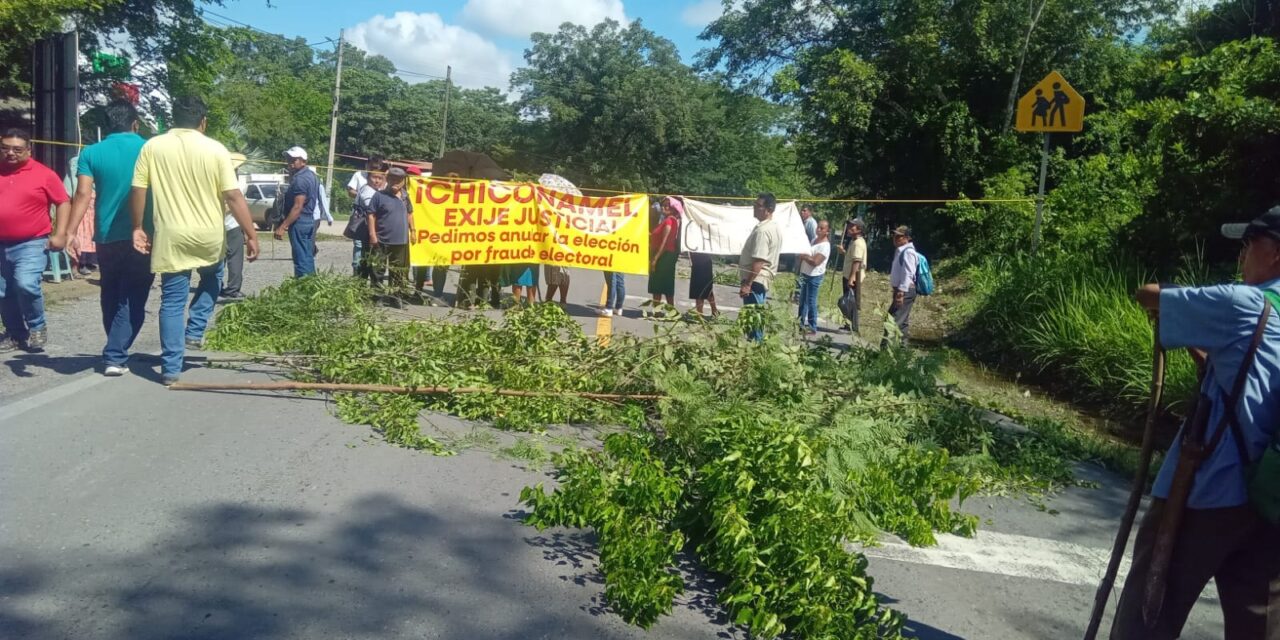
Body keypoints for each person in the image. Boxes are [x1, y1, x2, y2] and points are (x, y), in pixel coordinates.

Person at [1112, 206, 1280, 640]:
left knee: (1150, 609)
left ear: (1275, 254)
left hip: (1209, 491)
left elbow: (1148, 294)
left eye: (1248, 245)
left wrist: (1173, 304)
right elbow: (1246, 382)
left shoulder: (1247, 304)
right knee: (1259, 624)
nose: (1242, 256)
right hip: (1271, 499)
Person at [130, 96, 260, 386]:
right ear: (203, 121)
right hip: (209, 235)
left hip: (171, 235)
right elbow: (232, 196)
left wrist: (137, 227)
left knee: (172, 301)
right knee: (212, 279)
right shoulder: (216, 149)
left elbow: (138, 189)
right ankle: (196, 328)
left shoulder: (152, 146)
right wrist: (250, 234)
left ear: (173, 119)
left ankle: (170, 369)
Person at [50, 101, 155, 373]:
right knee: (133, 294)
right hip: (144, 233)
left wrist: (71, 231)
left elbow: (82, 193)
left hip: (106, 234)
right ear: (135, 123)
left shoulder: (91, 152)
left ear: (107, 125)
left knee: (110, 291)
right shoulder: (150, 148)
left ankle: (115, 344)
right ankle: (115, 354)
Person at [0, 129, 70, 353]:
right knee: (2, 291)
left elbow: (63, 202)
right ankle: (15, 333)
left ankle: (37, 326)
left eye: (17, 149)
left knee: (26, 284)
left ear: (28, 150)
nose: (10, 153)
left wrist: (60, 233)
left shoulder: (44, 174)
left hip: (31, 242)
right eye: (5, 148)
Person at [366, 167, 415, 308]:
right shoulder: (379, 196)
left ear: (403, 181)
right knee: (378, 270)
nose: (396, 182)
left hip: (401, 241)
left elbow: (410, 214)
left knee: (398, 271)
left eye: (399, 180)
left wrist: (413, 231)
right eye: (393, 179)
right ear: (387, 179)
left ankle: (395, 298)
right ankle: (377, 297)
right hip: (381, 240)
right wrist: (372, 235)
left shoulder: (405, 196)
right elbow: (371, 215)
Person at [738, 193, 783, 341]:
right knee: (753, 319)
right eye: (755, 204)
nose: (754, 207)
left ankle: (756, 348)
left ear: (768, 210)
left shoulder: (763, 231)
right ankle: (754, 347)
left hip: (756, 280)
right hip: (759, 279)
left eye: (758, 205)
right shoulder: (773, 227)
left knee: (754, 321)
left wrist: (748, 284)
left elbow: (759, 260)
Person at [273, 146, 320, 278]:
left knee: (301, 258)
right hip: (308, 219)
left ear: (303, 161)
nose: (290, 162)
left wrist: (283, 226)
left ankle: (303, 285)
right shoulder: (310, 175)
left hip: (300, 222)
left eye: (294, 159)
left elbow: (298, 206)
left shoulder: (300, 179)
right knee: (307, 255)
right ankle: (311, 284)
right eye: (289, 159)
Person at [882, 225, 919, 348]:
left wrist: (901, 293)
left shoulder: (908, 252)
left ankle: (884, 352)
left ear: (907, 238)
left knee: (892, 321)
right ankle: (903, 351)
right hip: (901, 290)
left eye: (899, 236)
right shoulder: (901, 251)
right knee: (902, 323)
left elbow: (908, 274)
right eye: (895, 236)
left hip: (905, 291)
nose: (896, 238)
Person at [347, 154, 384, 275]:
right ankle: (357, 273)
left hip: (375, 219)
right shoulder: (359, 176)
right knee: (359, 246)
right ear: (367, 165)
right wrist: (362, 194)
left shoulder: (381, 179)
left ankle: (369, 273)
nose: (374, 169)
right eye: (372, 167)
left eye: (377, 167)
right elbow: (350, 190)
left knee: (372, 248)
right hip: (362, 219)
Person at [647, 196, 680, 316]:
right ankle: (664, 311)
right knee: (661, 284)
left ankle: (665, 311)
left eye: (667, 206)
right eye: (663, 205)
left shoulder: (669, 221)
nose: (663, 207)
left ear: (673, 209)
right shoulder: (666, 220)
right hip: (663, 255)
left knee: (661, 284)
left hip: (664, 256)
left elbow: (665, 242)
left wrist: (655, 259)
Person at [352, 167, 386, 283]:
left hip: (369, 230)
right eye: (374, 177)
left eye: (380, 178)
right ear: (368, 178)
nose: (377, 181)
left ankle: (360, 285)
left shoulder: (372, 190)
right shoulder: (368, 191)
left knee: (366, 259)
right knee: (370, 259)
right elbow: (372, 210)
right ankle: (365, 286)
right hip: (369, 230)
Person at [797, 220, 831, 335]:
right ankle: (800, 324)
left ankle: (812, 327)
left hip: (814, 276)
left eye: (822, 228)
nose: (819, 230)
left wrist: (804, 256)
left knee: (811, 301)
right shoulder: (813, 240)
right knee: (802, 300)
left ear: (827, 231)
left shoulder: (825, 246)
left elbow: (815, 262)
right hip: (805, 273)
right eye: (818, 227)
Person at [837, 217, 867, 334]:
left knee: (851, 301)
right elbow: (852, 258)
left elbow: (857, 262)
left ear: (859, 229)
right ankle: (848, 324)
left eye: (852, 226)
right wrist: (843, 252)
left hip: (853, 276)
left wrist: (852, 277)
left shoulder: (858, 243)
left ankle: (853, 327)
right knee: (848, 300)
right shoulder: (854, 241)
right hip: (848, 275)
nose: (849, 228)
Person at [689, 251, 718, 317]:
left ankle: (700, 313)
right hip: (699, 261)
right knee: (706, 288)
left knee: (700, 289)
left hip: (701, 262)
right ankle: (714, 310)